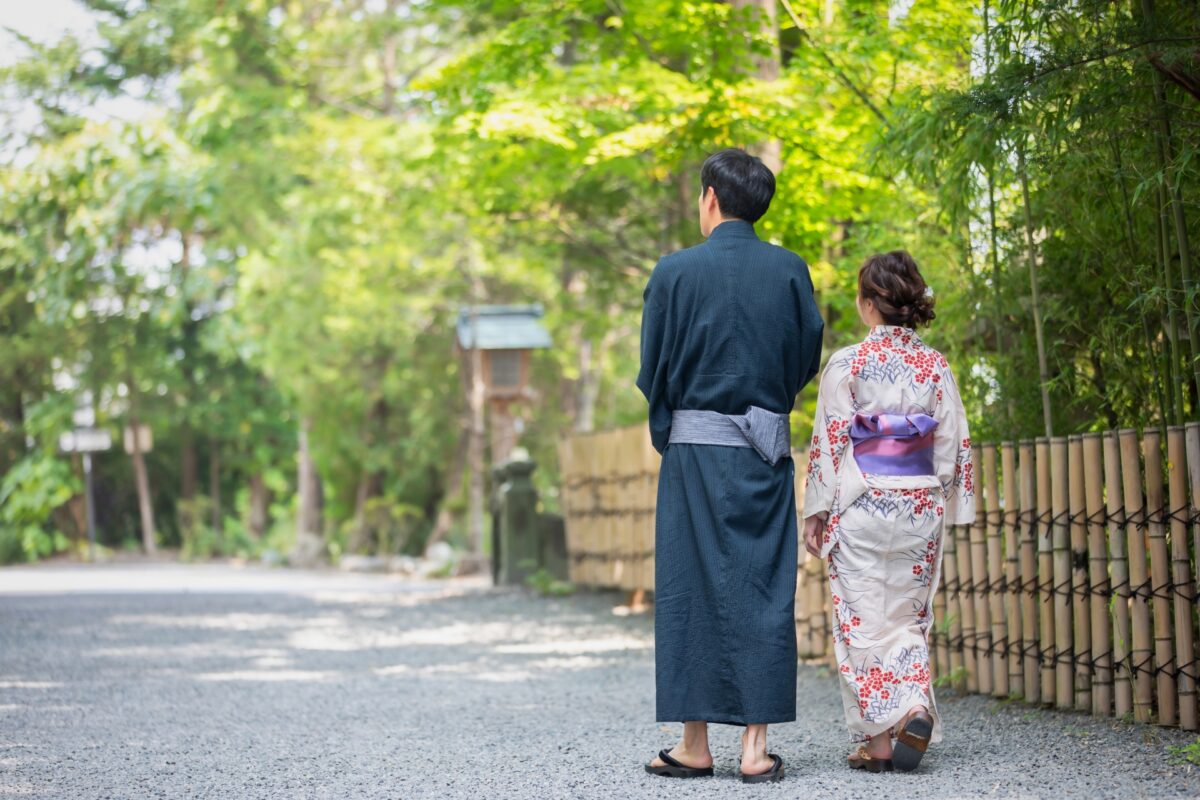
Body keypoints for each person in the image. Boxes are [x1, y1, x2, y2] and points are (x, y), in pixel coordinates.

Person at [637, 148, 824, 783]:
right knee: (763, 587)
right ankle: (754, 748)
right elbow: (804, 360)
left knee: (690, 586)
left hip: (693, 453)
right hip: (762, 449)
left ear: (711, 198)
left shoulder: (673, 272)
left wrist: (677, 428)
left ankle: (693, 744)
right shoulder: (791, 270)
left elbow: (652, 370)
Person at [801, 250, 975, 773]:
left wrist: (816, 510)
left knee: (859, 621)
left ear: (870, 303)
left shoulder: (848, 363)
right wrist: (942, 496)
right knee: (907, 616)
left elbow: (831, 440)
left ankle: (877, 741)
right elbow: (952, 442)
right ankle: (914, 707)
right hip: (919, 501)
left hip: (861, 501)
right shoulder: (935, 365)